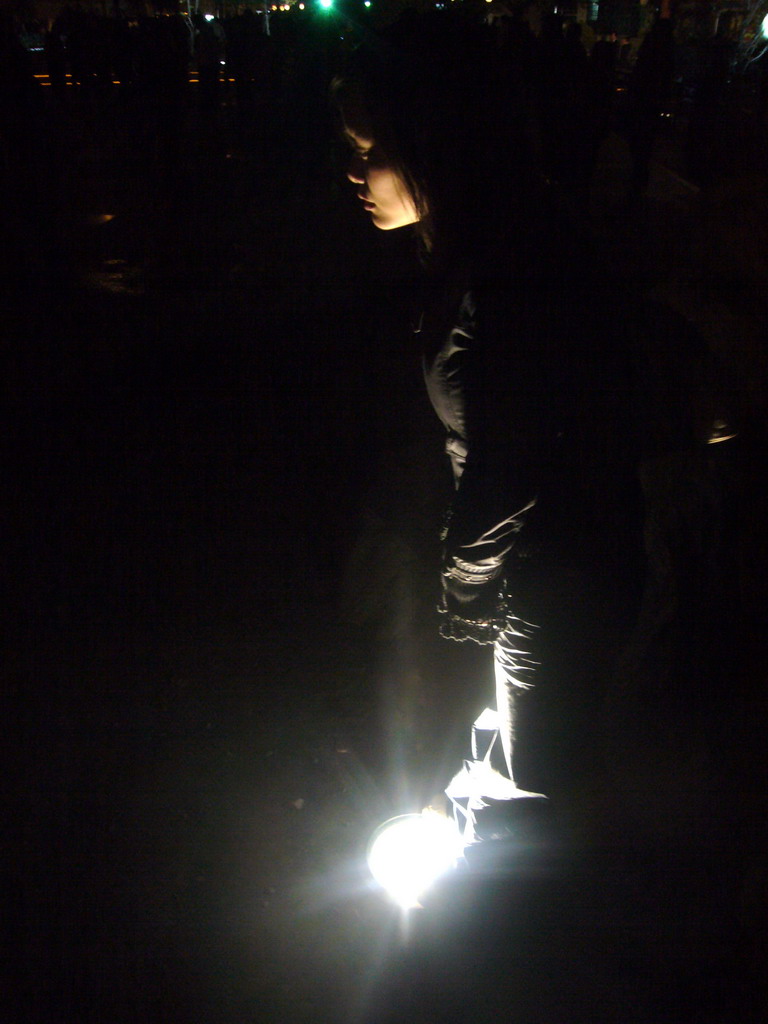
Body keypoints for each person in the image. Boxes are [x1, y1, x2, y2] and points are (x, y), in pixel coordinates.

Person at [332, 11, 642, 844]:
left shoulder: (505, 270)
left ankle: (553, 940)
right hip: (545, 561)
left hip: (561, 564)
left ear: (430, 144)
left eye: (370, 151)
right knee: (521, 751)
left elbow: (513, 454)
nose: (354, 174)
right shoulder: (490, 250)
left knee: (539, 776)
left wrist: (465, 588)